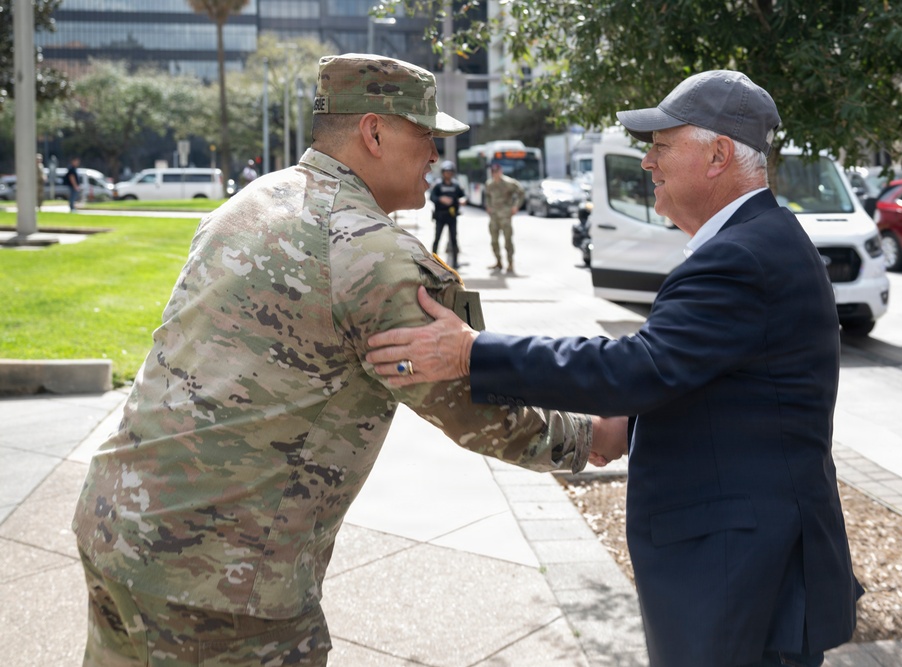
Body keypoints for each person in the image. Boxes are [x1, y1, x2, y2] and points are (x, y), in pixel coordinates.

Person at [72, 53, 624, 667]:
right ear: (375, 131)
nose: (437, 158)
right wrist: (592, 435)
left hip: (116, 523)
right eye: (427, 137)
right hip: (218, 579)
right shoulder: (374, 255)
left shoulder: (250, 203)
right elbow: (471, 405)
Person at [365, 70, 863, 667]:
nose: (647, 162)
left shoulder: (742, 256)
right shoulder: (756, 242)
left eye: (660, 145)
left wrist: (473, 351)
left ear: (718, 155)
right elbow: (710, 377)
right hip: (744, 560)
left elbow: (638, 366)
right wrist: (625, 427)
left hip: (738, 571)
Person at [484, 161, 524, 274]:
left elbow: (521, 192)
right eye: (493, 172)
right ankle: (498, 262)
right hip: (494, 216)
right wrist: (488, 206)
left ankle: (510, 263)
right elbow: (487, 195)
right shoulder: (489, 184)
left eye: (497, 171)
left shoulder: (509, 183)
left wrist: (516, 206)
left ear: (500, 171)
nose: (495, 174)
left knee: (508, 240)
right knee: (494, 240)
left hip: (505, 215)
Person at [429, 159, 465, 267]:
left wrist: (463, 200)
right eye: (446, 172)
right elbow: (431, 196)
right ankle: (434, 261)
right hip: (440, 215)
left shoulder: (456, 185)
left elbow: (463, 195)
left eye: (450, 172)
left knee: (454, 239)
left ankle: (455, 262)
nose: (448, 174)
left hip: (452, 216)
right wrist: (441, 199)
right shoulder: (438, 185)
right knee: (437, 238)